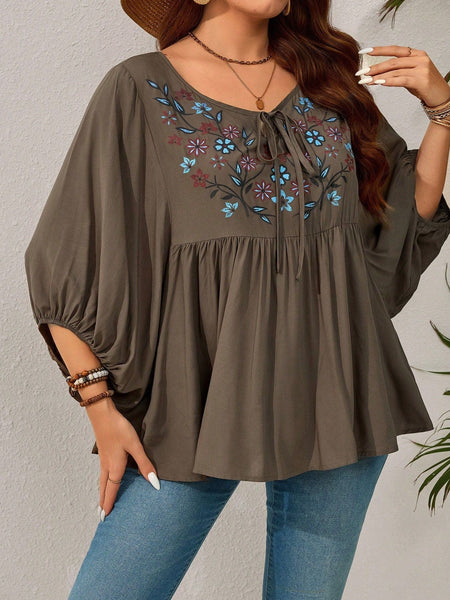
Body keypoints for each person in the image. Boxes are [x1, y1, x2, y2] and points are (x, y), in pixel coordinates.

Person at [24, 0, 450, 598]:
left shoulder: (327, 81)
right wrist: (97, 402)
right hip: (196, 398)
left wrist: (442, 112)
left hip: (338, 390)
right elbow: (67, 252)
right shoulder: (139, 87)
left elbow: (398, 220)